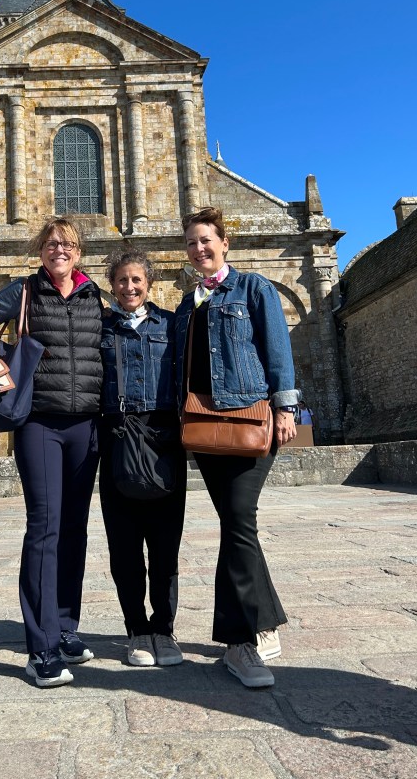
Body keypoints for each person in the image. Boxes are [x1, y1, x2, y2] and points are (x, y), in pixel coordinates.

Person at [174, 207, 299, 690]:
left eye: (206, 240)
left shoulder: (253, 288)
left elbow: (277, 349)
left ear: (224, 243)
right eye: (191, 242)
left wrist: (286, 407)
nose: (199, 248)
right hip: (205, 428)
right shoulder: (187, 304)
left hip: (250, 419)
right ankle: (263, 620)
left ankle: (238, 639)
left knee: (239, 518)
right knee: (235, 523)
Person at [0, 218, 103, 688]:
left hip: (86, 424)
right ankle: (41, 647)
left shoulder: (94, 295)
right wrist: (1, 366)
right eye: (52, 243)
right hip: (38, 422)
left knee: (74, 528)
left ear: (79, 252)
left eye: (68, 244)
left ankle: (65, 626)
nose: (60, 250)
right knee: (44, 526)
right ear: (41, 250)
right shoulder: (23, 291)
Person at [99, 250, 187, 668]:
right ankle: (136, 628)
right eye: (121, 280)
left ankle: (164, 629)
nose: (129, 287)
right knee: (125, 546)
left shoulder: (170, 324)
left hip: (163, 438)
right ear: (112, 285)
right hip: (117, 437)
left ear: (149, 283)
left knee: (165, 545)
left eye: (136, 280)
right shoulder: (101, 327)